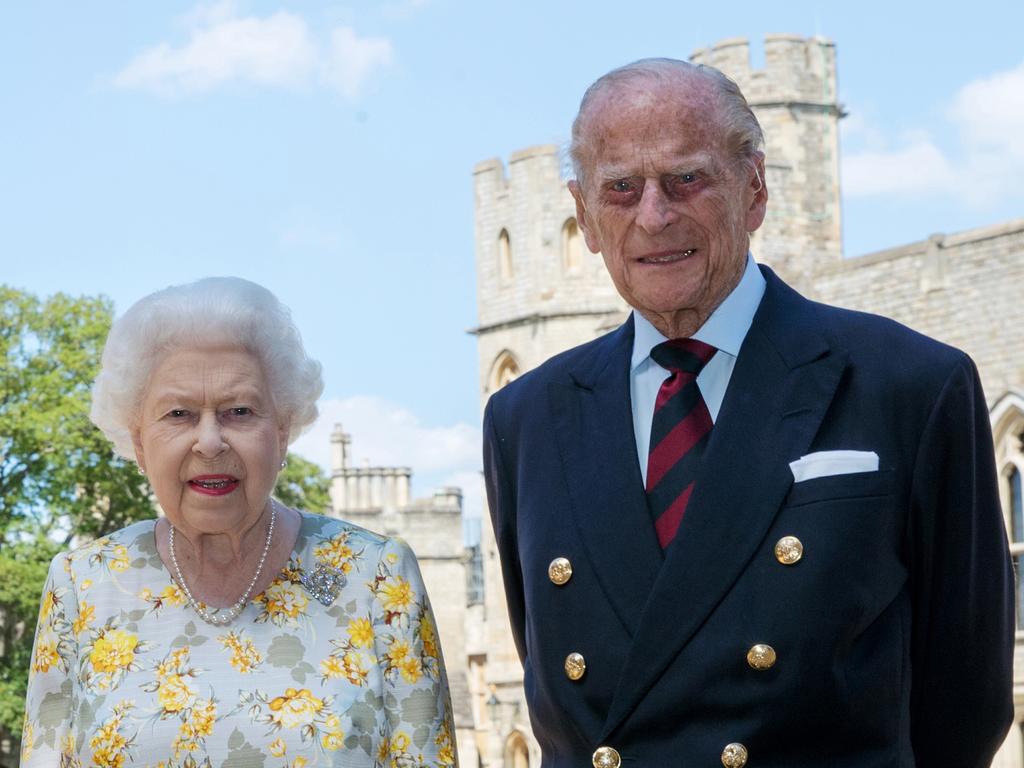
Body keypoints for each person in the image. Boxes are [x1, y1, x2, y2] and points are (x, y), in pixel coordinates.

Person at [483, 58, 1014, 768]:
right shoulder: (526, 417)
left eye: (686, 179)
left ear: (755, 191)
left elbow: (966, 706)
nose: (653, 215)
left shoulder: (911, 386)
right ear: (582, 216)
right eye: (620, 189)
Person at [21, 277, 457, 767]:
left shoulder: (377, 575)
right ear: (139, 441)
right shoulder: (81, 583)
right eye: (180, 413)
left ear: (283, 430)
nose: (209, 442)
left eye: (240, 411)